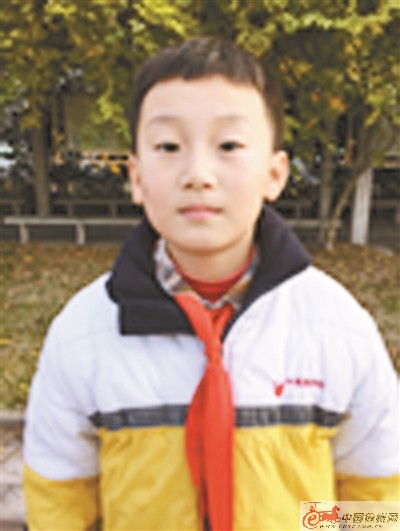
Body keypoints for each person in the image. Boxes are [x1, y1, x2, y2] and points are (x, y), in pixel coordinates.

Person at [23, 37, 399, 531]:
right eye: (168, 147)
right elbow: (61, 501)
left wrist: (304, 519)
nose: (198, 174)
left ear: (274, 174)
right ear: (136, 177)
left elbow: (376, 497)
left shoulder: (337, 328)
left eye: (229, 146)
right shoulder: (84, 333)